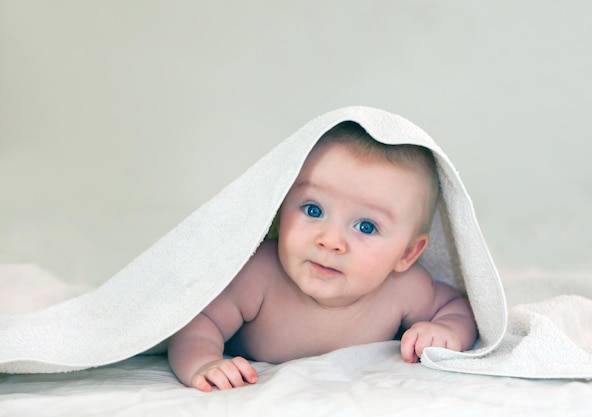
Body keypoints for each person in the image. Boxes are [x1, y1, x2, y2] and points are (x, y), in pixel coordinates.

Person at [168, 121, 477, 392]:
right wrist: (203, 362)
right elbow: (196, 322)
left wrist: (447, 331)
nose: (330, 241)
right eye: (313, 210)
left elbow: (455, 306)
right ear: (278, 211)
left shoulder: (403, 289)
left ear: (407, 254)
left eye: (366, 227)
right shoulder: (257, 275)